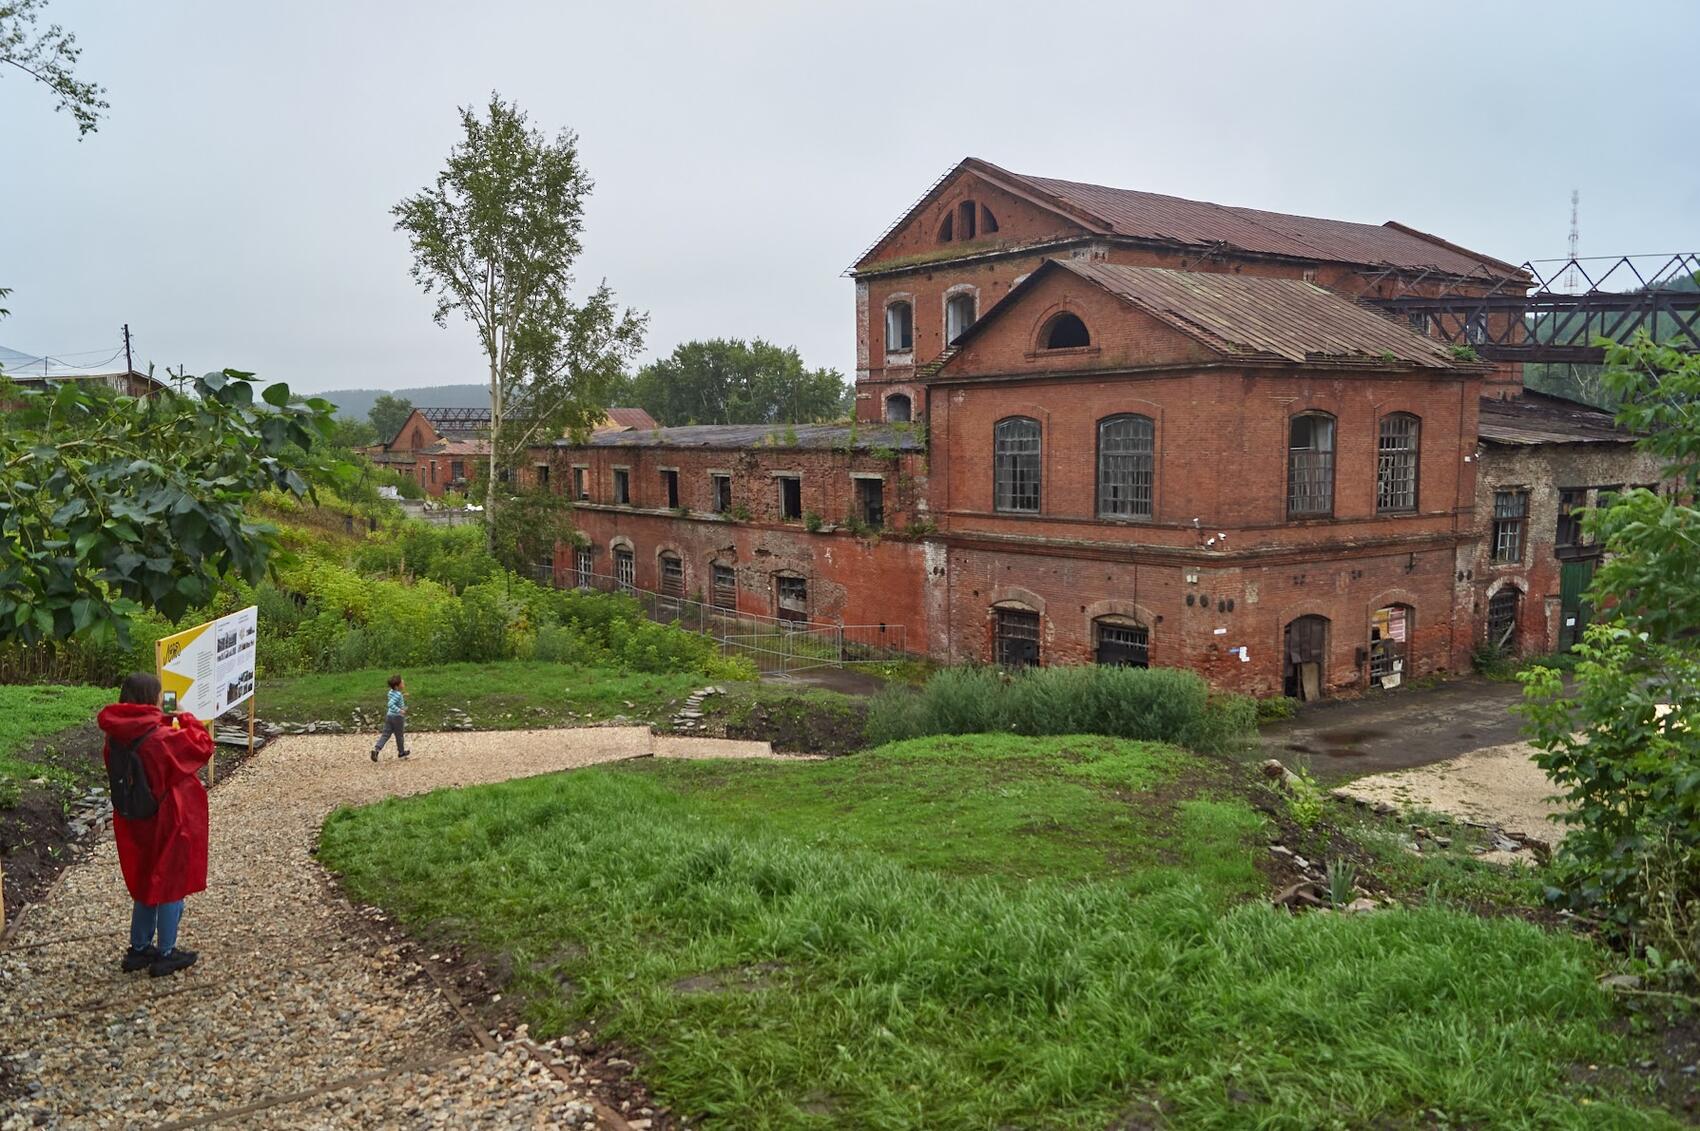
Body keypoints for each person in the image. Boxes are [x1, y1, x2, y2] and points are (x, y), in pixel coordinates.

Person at [97, 672, 214, 977]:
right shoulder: (161, 738)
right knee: (171, 881)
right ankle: (166, 953)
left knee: (146, 879)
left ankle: (138, 949)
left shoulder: (115, 735)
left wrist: (162, 719)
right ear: (152, 698)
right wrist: (183, 717)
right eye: (160, 695)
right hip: (168, 817)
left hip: (134, 817)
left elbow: (141, 742)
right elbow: (203, 746)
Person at [371, 674, 409, 761]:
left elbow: (394, 699)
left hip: (389, 716)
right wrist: (400, 710)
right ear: (396, 686)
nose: (403, 683)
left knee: (385, 734)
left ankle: (376, 750)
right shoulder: (398, 695)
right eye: (402, 683)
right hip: (397, 717)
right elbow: (390, 704)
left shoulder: (391, 692)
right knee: (399, 736)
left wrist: (402, 696)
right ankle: (401, 752)